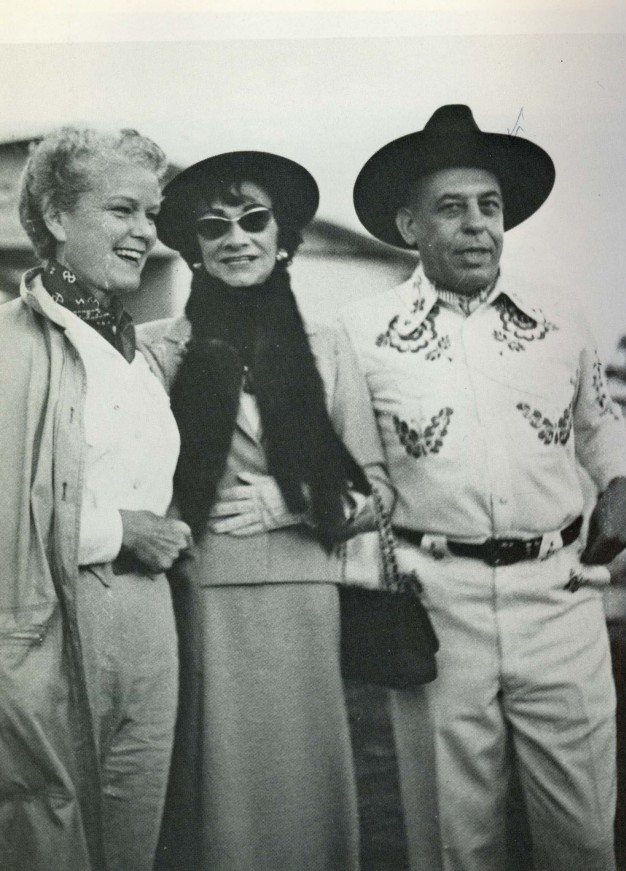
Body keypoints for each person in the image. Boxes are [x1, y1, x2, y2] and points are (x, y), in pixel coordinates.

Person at [339, 104, 626, 871]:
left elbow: (601, 429)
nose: (477, 225)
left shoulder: (559, 317)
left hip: (559, 594)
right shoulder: (360, 332)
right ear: (409, 226)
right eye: (451, 207)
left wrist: (623, 485)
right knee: (453, 839)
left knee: (581, 834)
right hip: (439, 605)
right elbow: (352, 471)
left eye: (489, 205)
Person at [137, 149, 393, 871]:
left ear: (283, 237)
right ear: (192, 248)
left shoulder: (327, 348)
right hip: (199, 592)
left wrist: (291, 500)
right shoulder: (159, 350)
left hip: (303, 596)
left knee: (300, 788)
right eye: (214, 227)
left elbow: (381, 493)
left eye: (254, 219)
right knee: (216, 796)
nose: (237, 238)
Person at [0, 127, 192, 871]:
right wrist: (121, 532)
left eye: (151, 213)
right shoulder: (10, 344)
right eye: (122, 210)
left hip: (148, 625)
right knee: (44, 840)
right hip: (51, 617)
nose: (146, 231)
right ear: (54, 215)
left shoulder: (136, 350)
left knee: (130, 842)